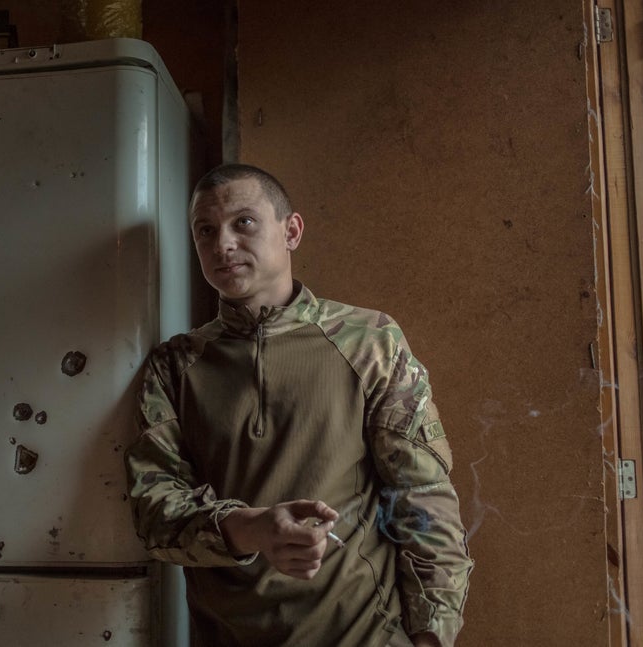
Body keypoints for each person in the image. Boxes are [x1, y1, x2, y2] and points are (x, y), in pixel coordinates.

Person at [124, 163, 472, 647]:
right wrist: (251, 528)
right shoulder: (173, 366)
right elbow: (153, 512)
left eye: (243, 222)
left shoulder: (369, 342)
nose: (222, 244)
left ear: (291, 231)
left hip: (364, 634)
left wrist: (432, 634)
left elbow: (422, 497)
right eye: (206, 230)